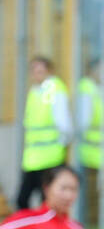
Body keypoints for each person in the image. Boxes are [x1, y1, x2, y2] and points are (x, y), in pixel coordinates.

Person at [17, 57, 72, 211]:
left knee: (46, 201)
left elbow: (64, 123)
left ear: (49, 71)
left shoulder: (54, 89)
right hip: (32, 159)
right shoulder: (35, 91)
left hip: (51, 158)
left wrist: (62, 146)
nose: (37, 74)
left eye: (40, 70)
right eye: (34, 71)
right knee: (22, 199)